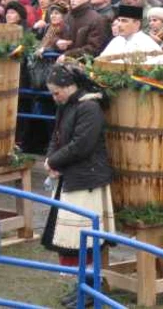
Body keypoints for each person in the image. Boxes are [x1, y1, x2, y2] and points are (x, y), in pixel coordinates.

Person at [40, 64, 115, 309]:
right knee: (73, 239)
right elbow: (57, 136)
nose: (55, 97)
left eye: (56, 92)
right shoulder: (68, 106)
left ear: (69, 86)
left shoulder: (89, 107)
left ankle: (93, 287)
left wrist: (55, 160)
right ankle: (82, 284)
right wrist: (51, 159)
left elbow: (82, 144)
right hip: (72, 176)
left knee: (87, 240)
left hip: (87, 179)